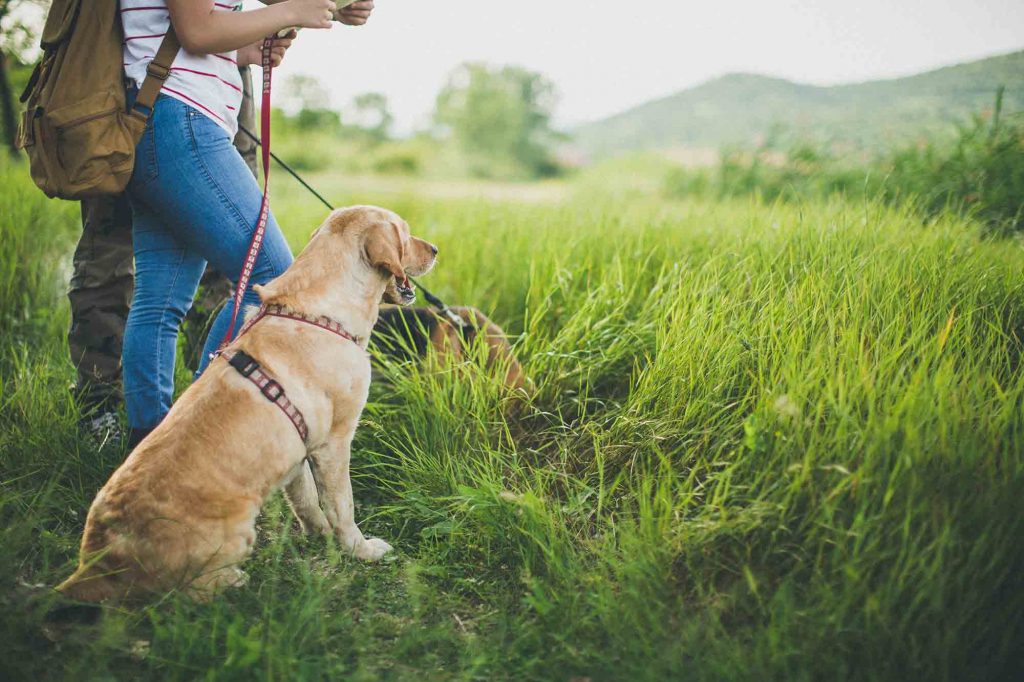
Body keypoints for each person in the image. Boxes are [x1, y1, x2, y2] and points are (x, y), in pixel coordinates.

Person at [72, 1, 375, 443]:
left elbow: (182, 34)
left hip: (163, 118)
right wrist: (292, 8)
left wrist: (247, 51)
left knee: (160, 302)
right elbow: (197, 30)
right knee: (273, 280)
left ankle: (152, 448)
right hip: (182, 122)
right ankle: (196, 433)